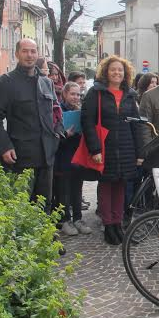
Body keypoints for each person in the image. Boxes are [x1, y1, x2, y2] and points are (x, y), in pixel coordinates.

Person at [0, 39, 65, 214]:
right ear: (17, 54)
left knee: (44, 207)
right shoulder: (4, 83)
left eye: (33, 51)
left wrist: (58, 133)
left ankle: (45, 240)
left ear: (37, 54)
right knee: (21, 208)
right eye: (25, 51)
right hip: (20, 156)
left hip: (46, 156)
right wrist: (5, 147)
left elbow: (56, 111)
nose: (29, 55)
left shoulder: (46, 83)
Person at [81, 55, 144, 245]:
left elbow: (136, 125)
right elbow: (87, 122)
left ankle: (118, 223)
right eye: (113, 69)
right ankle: (108, 225)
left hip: (125, 147)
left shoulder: (130, 95)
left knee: (121, 185)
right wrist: (95, 149)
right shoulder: (96, 93)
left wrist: (140, 152)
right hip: (104, 147)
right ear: (106, 72)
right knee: (106, 185)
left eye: (120, 70)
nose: (117, 73)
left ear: (125, 74)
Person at [54, 81, 92, 236]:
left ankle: (78, 218)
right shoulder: (58, 110)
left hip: (78, 156)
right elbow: (54, 135)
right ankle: (65, 220)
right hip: (63, 156)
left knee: (77, 189)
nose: (76, 97)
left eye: (78, 94)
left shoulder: (81, 111)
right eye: (72, 94)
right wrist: (65, 135)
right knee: (63, 191)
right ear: (65, 94)